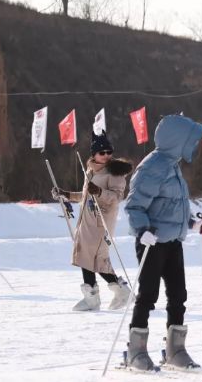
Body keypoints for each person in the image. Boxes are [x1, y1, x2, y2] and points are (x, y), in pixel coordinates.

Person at [124, 115, 202, 371]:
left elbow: (172, 206)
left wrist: (192, 223)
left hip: (173, 242)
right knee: (148, 294)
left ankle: (175, 350)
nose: (193, 146)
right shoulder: (152, 167)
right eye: (190, 141)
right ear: (176, 141)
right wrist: (142, 230)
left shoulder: (172, 165)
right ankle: (136, 351)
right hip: (152, 241)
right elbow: (134, 205)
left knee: (178, 295)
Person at [52, 131, 132, 312]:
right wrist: (66, 194)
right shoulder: (90, 170)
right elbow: (86, 196)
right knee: (85, 257)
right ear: (94, 154)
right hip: (86, 221)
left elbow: (117, 197)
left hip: (100, 222)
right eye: (102, 152)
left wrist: (99, 192)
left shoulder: (115, 173)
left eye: (108, 152)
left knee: (97, 258)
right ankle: (95, 296)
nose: (106, 156)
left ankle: (117, 293)